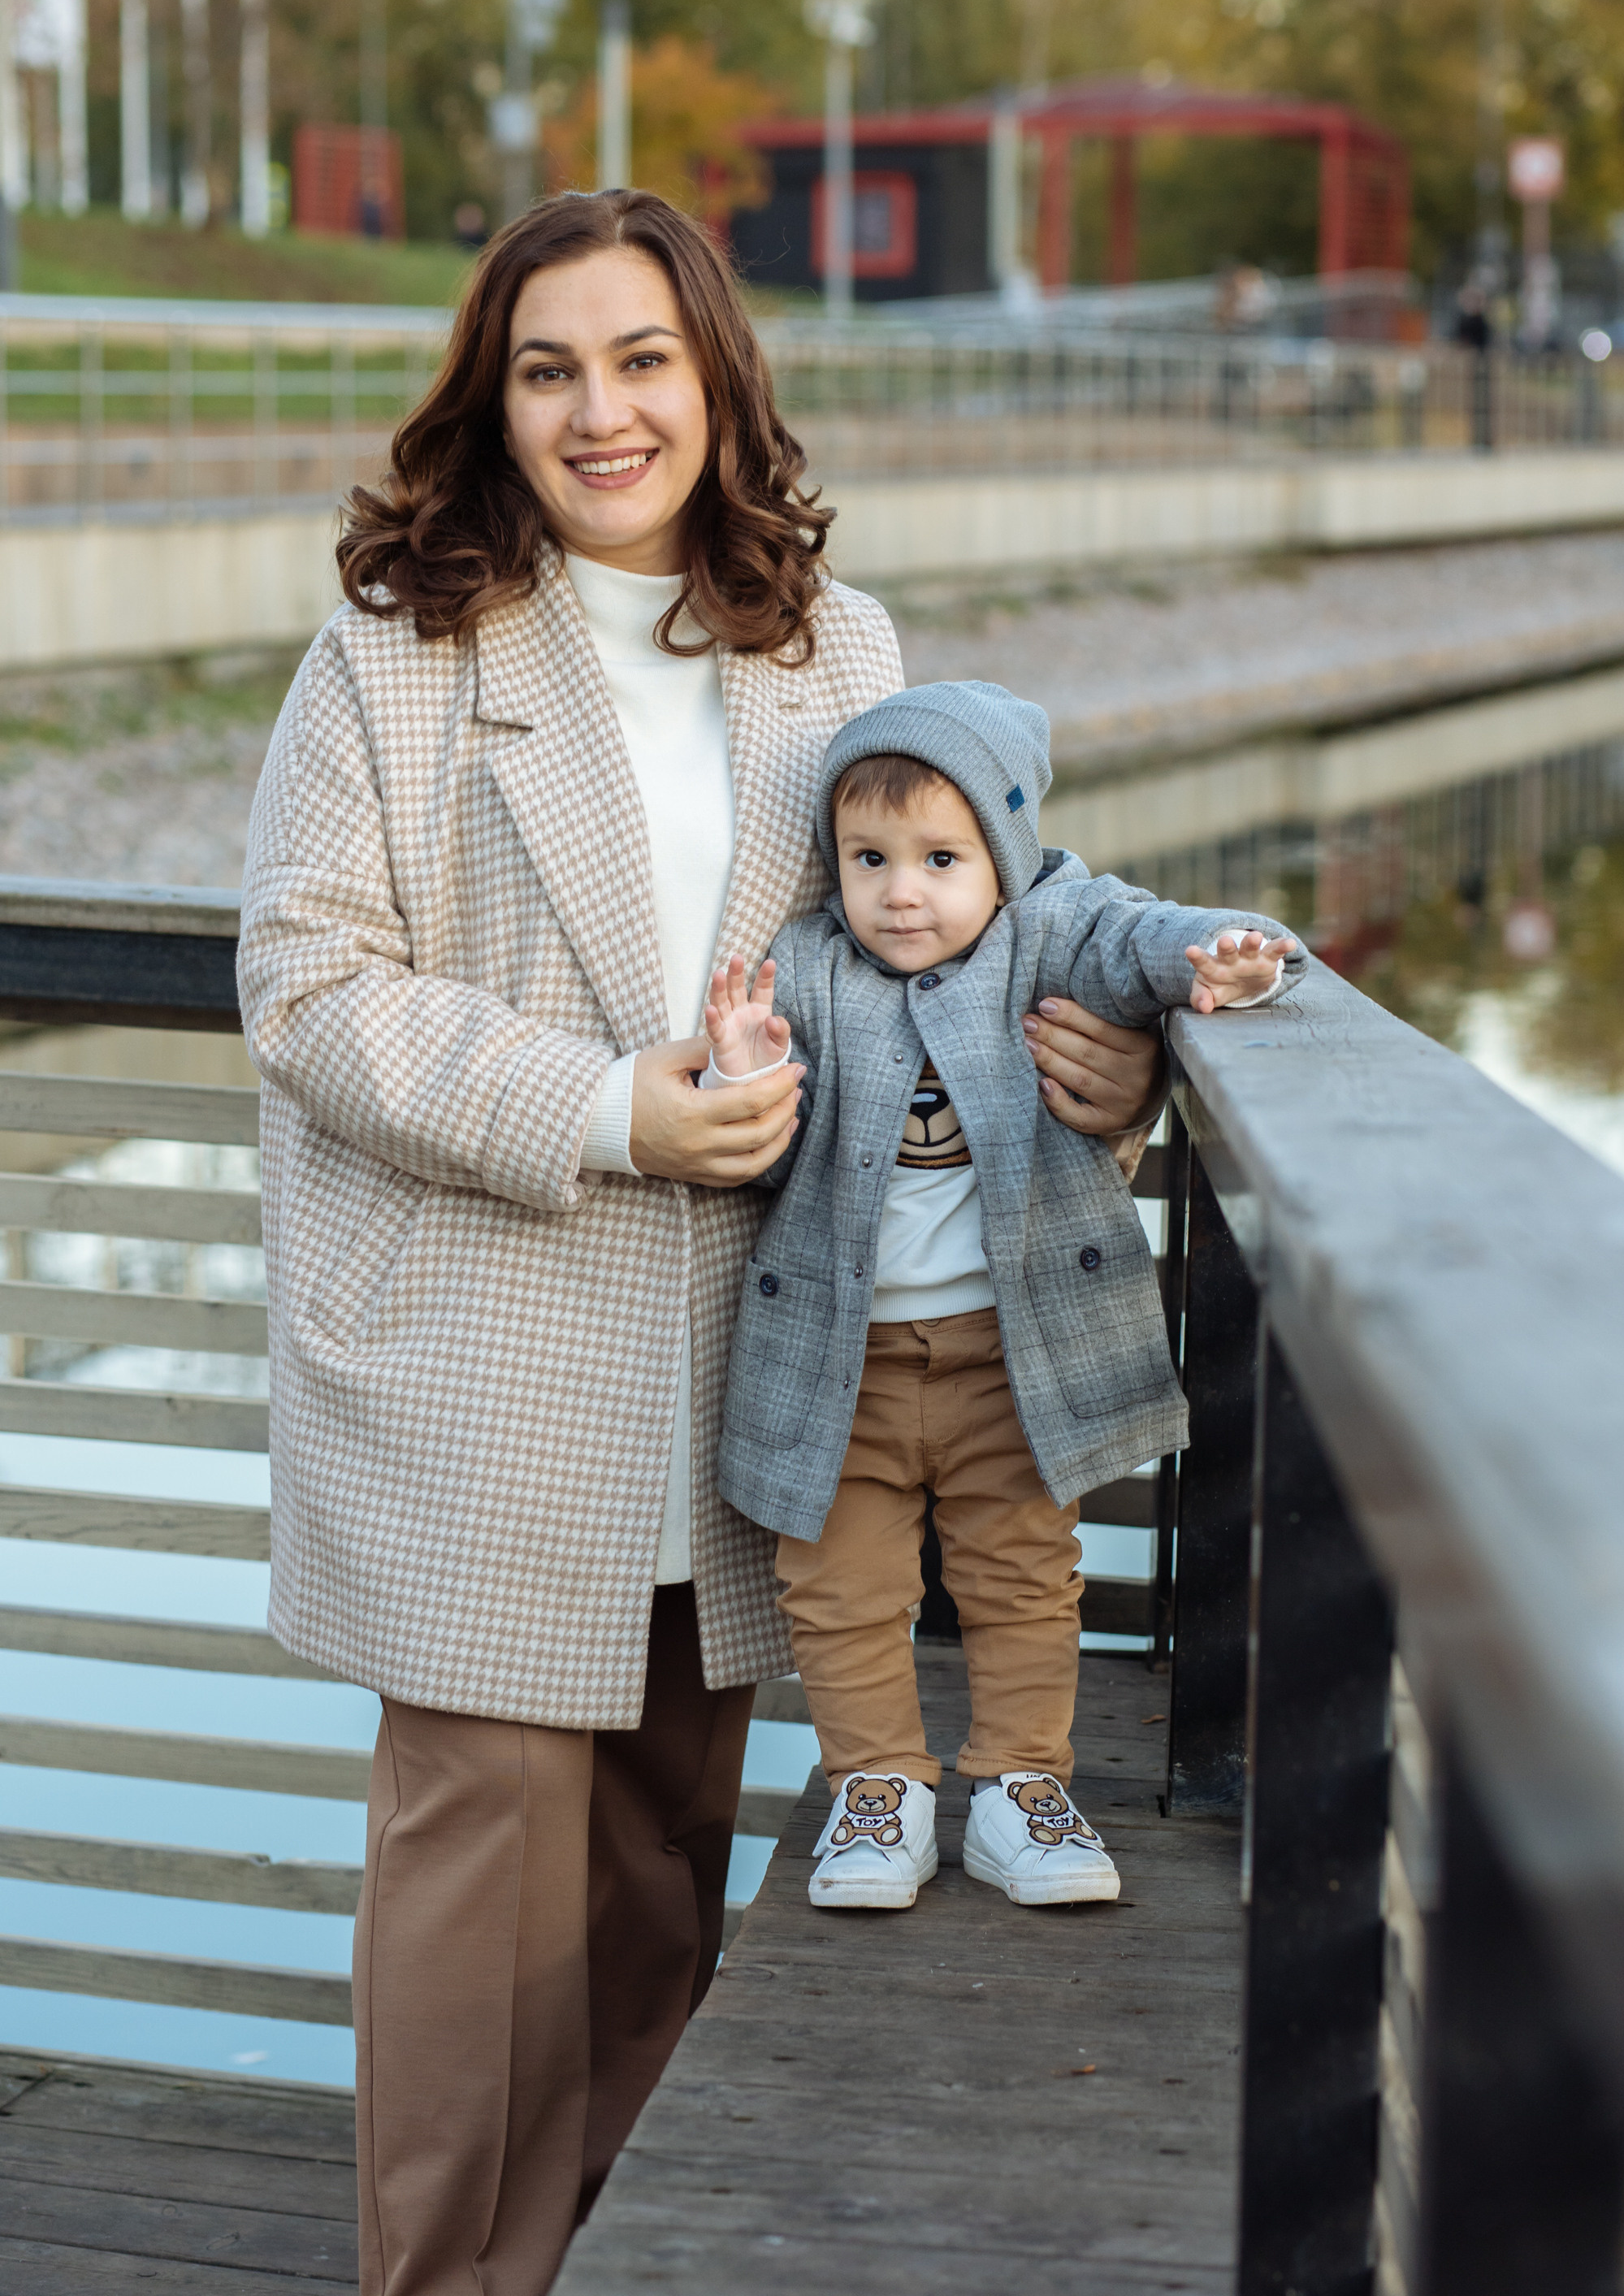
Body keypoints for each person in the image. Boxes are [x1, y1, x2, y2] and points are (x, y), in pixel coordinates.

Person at [235, 190, 1167, 2294]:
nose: (602, 411)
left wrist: (1103, 1066)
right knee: (480, 1898)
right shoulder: (392, 649)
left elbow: (960, 934)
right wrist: (604, 1107)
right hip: (485, 1358)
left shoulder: (834, 649)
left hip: (761, 1361)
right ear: (493, 399)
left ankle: (610, 2262)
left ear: (716, 378)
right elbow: (302, 985)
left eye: (642, 359)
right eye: (548, 368)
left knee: (662, 1889)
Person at [701, 680, 1304, 1910]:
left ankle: (1022, 1787)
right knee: (839, 1588)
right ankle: (878, 1791)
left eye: (940, 859)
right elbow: (759, 1145)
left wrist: (1226, 958)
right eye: (869, 859)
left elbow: (1140, 937)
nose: (900, 893)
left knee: (1024, 1572)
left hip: (1010, 1353)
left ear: (1005, 857)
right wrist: (740, 1074)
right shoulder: (809, 965)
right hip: (839, 1364)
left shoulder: (1046, 929)